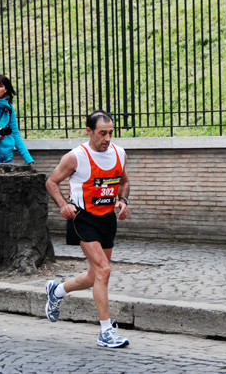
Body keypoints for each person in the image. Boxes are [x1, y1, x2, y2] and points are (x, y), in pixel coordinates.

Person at [44, 110, 130, 348]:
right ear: (89, 131)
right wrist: (63, 205)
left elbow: (123, 182)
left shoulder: (119, 153)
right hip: (82, 218)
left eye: (110, 132)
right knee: (104, 270)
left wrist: (123, 201)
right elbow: (51, 182)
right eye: (102, 133)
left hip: (107, 219)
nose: (107, 138)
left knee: (96, 276)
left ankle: (57, 291)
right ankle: (105, 331)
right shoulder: (76, 157)